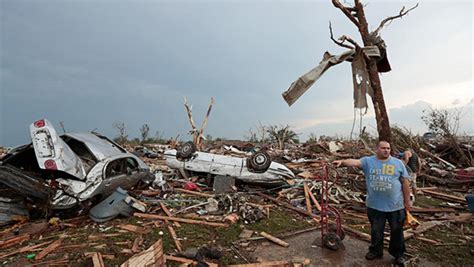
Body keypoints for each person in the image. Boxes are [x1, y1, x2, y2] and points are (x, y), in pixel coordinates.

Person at [333, 140, 411, 266]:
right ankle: (376, 251)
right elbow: (355, 162)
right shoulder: (368, 161)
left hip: (395, 205)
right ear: (377, 149)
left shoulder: (398, 163)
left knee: (397, 231)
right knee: (376, 230)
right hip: (375, 205)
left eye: (388, 148)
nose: (386, 150)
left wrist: (407, 201)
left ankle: (398, 254)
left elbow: (405, 183)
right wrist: (342, 162)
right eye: (383, 148)